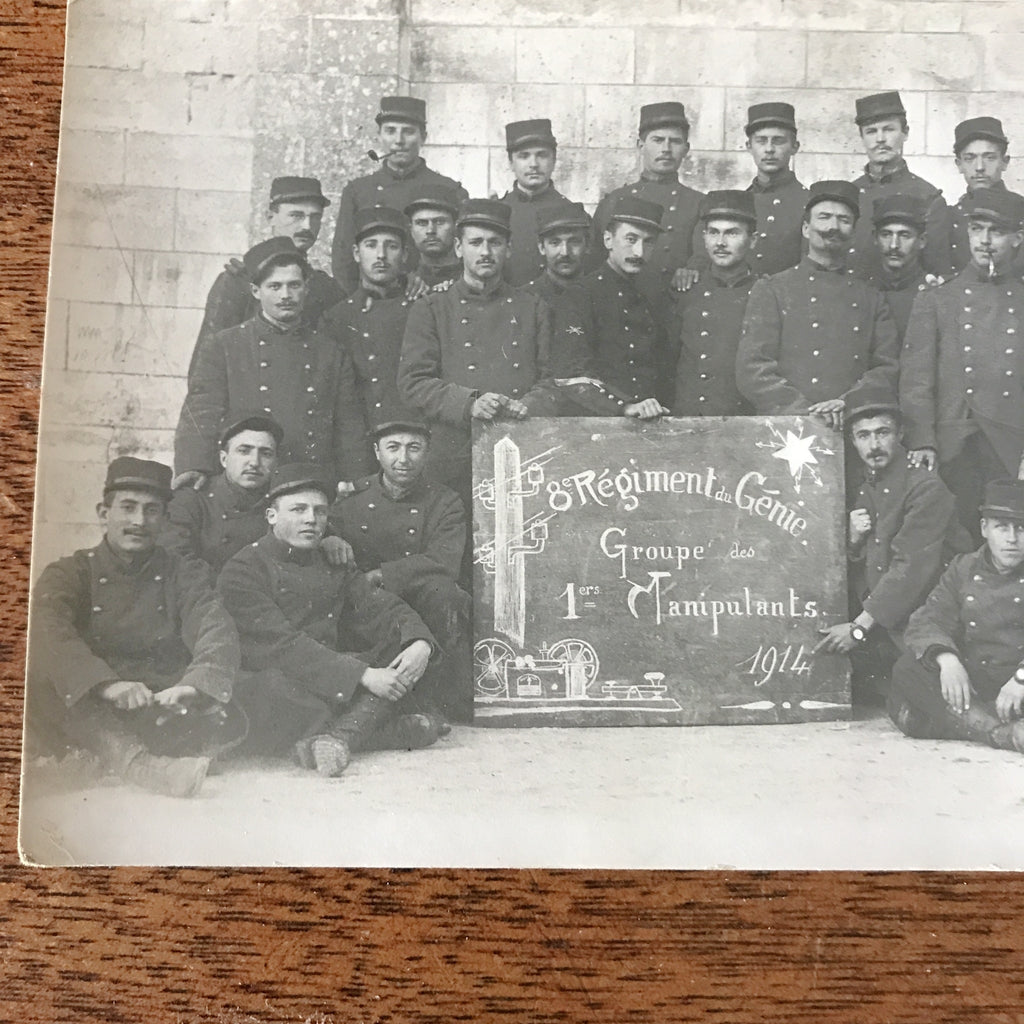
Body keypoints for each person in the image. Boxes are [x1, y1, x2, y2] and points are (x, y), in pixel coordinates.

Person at [26, 458, 243, 798]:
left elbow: (214, 626)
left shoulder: (184, 573)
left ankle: (96, 757)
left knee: (227, 699)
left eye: (152, 511)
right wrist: (107, 685)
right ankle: (140, 765)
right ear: (104, 513)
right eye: (128, 508)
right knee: (41, 679)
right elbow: (47, 630)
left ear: (165, 519)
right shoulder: (69, 572)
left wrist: (192, 685)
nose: (139, 521)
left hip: (154, 698)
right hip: (89, 698)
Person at [217, 464, 445, 776]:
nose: (311, 519)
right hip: (277, 679)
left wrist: (419, 641)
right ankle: (376, 731)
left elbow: (379, 606)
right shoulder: (243, 569)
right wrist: (363, 675)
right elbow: (282, 646)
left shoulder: (331, 560)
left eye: (320, 511)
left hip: (332, 677)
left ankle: (337, 738)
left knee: (400, 652)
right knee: (277, 691)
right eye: (298, 509)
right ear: (271, 516)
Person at [175, 237, 370, 492]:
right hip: (245, 481)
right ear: (256, 291)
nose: (285, 295)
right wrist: (194, 466)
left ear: (306, 289)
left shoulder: (331, 353)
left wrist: (358, 483)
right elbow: (202, 411)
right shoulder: (224, 345)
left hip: (308, 482)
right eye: (275, 286)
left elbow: (349, 427)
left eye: (294, 285)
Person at [813, 387, 970, 703]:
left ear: (900, 434)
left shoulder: (925, 488)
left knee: (921, 697)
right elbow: (872, 556)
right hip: (883, 618)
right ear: (852, 440)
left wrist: (858, 630)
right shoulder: (863, 480)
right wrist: (852, 541)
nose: (874, 445)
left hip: (924, 619)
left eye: (883, 432)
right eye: (863, 435)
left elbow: (909, 569)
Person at [398, 198, 560, 497]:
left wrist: (527, 406)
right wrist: (469, 403)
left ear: (508, 249)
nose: (485, 252)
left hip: (522, 447)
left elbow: (553, 380)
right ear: (458, 248)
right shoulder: (432, 308)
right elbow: (413, 383)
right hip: (455, 455)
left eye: (494, 242)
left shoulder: (533, 307)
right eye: (475, 242)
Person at [899, 187, 1024, 541]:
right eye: (977, 229)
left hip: (1009, 441)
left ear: (1018, 238)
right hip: (951, 444)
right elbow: (916, 380)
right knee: (954, 538)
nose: (984, 240)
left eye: (996, 231)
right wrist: (923, 441)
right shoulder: (938, 298)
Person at [329, 421, 472, 722]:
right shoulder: (352, 499)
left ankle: (433, 699)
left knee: (446, 594)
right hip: (366, 601)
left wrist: (381, 574)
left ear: (427, 453)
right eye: (393, 448)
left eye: (414, 448)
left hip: (419, 595)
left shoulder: (445, 500)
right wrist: (331, 538)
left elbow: (444, 560)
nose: (403, 459)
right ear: (377, 452)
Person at [736, 180, 900, 430]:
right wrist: (804, 413)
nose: (833, 227)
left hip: (851, 425)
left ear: (853, 232)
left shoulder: (871, 297)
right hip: (787, 427)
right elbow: (753, 368)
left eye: (844, 220)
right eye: (824, 217)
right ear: (806, 228)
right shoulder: (772, 289)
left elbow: (886, 367)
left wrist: (847, 403)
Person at [888, 478, 1024, 755]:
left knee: (913, 718)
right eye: (1002, 527)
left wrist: (1021, 678)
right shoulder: (964, 567)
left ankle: (968, 723)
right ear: (984, 528)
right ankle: (1000, 732)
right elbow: (928, 619)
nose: (1012, 538)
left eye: (1021, 528)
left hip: (1018, 682)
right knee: (907, 670)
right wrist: (946, 658)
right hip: (979, 679)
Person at [162, 410, 353, 576]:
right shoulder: (191, 500)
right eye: (244, 451)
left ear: (276, 462)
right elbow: (179, 563)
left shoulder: (285, 500)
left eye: (266, 453)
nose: (254, 462)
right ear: (223, 459)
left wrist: (328, 540)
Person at [189, 176, 343, 376]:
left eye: (315, 217)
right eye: (296, 216)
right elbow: (206, 368)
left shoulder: (326, 288)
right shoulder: (238, 281)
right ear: (270, 217)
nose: (307, 226)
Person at [552, 195, 672, 419]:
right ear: (608, 240)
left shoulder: (653, 295)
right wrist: (624, 407)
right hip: (598, 421)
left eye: (648, 242)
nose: (639, 252)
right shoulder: (581, 295)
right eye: (630, 239)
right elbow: (571, 375)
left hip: (649, 418)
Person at [330, 96, 467, 292]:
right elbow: (343, 259)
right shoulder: (359, 191)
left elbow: (462, 252)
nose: (399, 141)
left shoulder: (450, 190)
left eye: (408, 132)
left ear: (424, 137)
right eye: (390, 131)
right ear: (379, 136)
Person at [318, 207, 421, 460]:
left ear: (405, 254)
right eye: (371, 245)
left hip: (410, 447)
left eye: (391, 246)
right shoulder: (336, 318)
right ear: (356, 253)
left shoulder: (423, 311)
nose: (381, 255)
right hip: (358, 449)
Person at [590, 101, 704, 313]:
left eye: (675, 141)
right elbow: (594, 260)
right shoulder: (614, 201)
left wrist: (691, 270)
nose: (666, 149)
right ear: (640, 145)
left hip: (674, 310)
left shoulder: (698, 203)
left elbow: (703, 259)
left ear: (686, 149)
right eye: (658, 140)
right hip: (621, 309)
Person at [672, 190, 758, 416]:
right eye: (713, 232)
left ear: (753, 240)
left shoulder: (766, 293)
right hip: (689, 416)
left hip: (743, 420)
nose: (720, 243)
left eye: (732, 233)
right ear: (704, 237)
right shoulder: (686, 290)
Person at [848, 91, 948, 279]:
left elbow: (935, 269)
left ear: (905, 133)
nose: (880, 139)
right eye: (871, 131)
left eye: (888, 129)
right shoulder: (848, 195)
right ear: (862, 137)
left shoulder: (928, 197)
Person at [944, 116, 1023, 276]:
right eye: (970, 158)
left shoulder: (1021, 211)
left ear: (1005, 162)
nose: (979, 167)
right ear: (959, 165)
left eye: (989, 157)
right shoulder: (948, 216)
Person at [498, 118, 571, 287]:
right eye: (524, 156)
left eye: (542, 155)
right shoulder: (498, 212)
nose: (534, 164)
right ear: (511, 163)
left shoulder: (572, 213)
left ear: (554, 160)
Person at [743, 102, 809, 276]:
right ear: (749, 147)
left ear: (794, 147)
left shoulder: (809, 203)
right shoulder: (740, 202)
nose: (769, 149)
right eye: (761, 141)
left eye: (778, 141)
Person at [863, 194, 931, 342]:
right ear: (875, 238)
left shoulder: (936, 294)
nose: (894, 245)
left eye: (904, 235)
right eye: (886, 234)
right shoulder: (862, 292)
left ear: (922, 241)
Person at [523, 200, 592, 306]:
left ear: (587, 245)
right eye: (555, 243)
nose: (565, 252)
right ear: (541, 247)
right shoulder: (526, 299)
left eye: (574, 242)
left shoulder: (603, 295)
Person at [404, 185, 462, 290]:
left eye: (440, 222)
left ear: (455, 226)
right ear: (411, 229)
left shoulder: (471, 279)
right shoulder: (405, 283)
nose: (430, 231)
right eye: (421, 223)